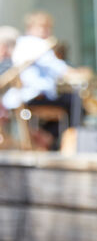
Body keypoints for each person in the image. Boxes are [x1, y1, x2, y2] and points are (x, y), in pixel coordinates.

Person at [1, 11, 85, 148]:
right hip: (34, 96)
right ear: (30, 28)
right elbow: (60, 69)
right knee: (76, 103)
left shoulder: (23, 44)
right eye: (42, 27)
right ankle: (60, 142)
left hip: (22, 97)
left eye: (48, 27)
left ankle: (44, 136)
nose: (46, 31)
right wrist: (78, 73)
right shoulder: (38, 44)